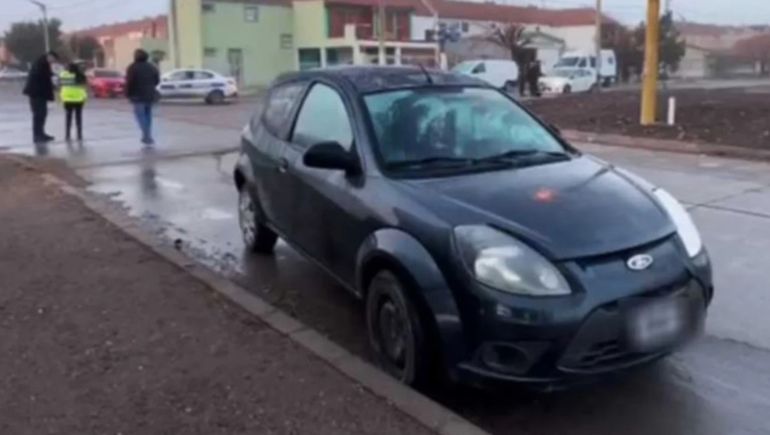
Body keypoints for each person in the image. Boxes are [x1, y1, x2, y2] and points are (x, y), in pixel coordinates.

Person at [23, 51, 59, 143]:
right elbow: (41, 77)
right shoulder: (41, 63)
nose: (53, 62)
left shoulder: (42, 63)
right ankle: (37, 135)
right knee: (38, 115)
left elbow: (44, 76)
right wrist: (51, 79)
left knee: (42, 114)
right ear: (50, 56)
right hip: (36, 94)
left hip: (39, 94)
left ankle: (41, 134)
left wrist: (51, 75)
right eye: (53, 60)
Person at [125, 49, 160, 146]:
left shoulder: (132, 67)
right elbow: (157, 81)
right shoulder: (152, 67)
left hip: (137, 95)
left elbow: (130, 82)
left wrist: (128, 93)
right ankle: (147, 135)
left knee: (140, 116)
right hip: (150, 95)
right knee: (148, 115)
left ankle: (147, 136)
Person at [59, 63, 88, 141]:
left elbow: (61, 84)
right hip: (79, 99)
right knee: (78, 118)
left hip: (67, 99)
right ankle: (79, 134)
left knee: (68, 118)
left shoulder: (64, 75)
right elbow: (85, 87)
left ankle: (67, 134)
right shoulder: (81, 76)